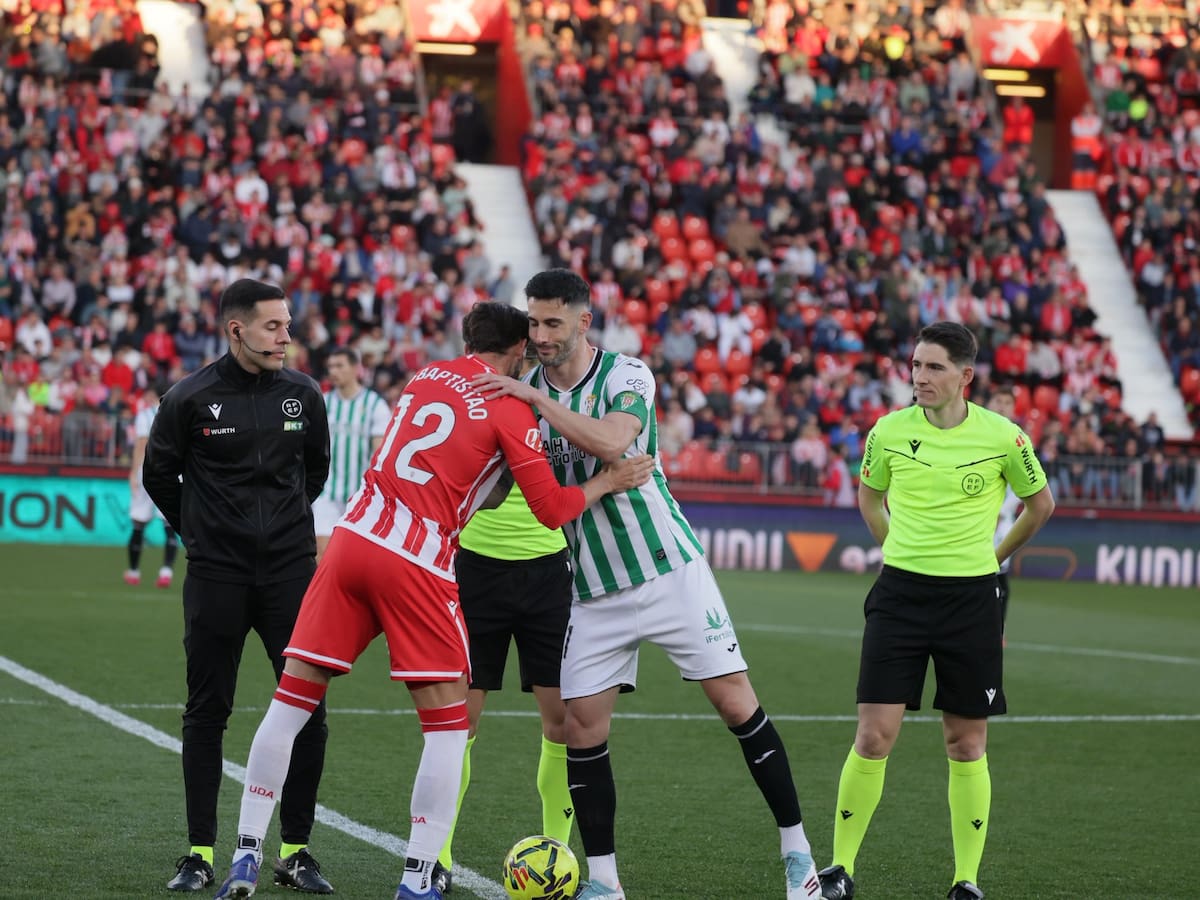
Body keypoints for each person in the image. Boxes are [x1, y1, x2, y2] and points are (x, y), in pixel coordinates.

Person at [211, 301, 654, 900]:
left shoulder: (425, 376)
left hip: (351, 539)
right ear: (518, 351)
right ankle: (419, 876)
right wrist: (606, 480)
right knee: (447, 731)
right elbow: (551, 511)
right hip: (416, 558)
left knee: (290, 703)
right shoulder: (509, 404)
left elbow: (463, 469)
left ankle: (243, 857)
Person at [472, 268, 822, 900]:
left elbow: (612, 441)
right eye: (534, 322)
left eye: (554, 322)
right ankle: (604, 879)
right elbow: (500, 488)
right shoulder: (519, 391)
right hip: (592, 588)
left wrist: (537, 404)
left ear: (583, 322)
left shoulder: (626, 375)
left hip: (668, 571)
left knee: (736, 704)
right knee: (581, 726)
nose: (541, 334)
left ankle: (798, 854)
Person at [816, 323, 1055, 900]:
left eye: (933, 367)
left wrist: (992, 558)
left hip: (971, 601)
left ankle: (966, 880)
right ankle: (840, 870)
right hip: (899, 596)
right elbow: (869, 496)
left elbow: (1040, 504)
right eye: (916, 365)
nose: (919, 377)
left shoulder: (1004, 436)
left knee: (967, 744)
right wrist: (893, 548)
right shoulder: (888, 431)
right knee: (874, 736)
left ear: (964, 376)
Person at [143, 279, 334, 894]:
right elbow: (159, 476)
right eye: (274, 326)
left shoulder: (303, 393)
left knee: (307, 710)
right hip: (217, 576)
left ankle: (296, 851)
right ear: (237, 330)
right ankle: (199, 853)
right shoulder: (189, 397)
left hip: (289, 575)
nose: (286, 336)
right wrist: (203, 534)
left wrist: (280, 532)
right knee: (207, 712)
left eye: (286, 325)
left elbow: (316, 470)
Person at [432, 349, 576, 896]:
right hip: (477, 571)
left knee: (561, 721)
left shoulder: (560, 398)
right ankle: (438, 854)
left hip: (548, 573)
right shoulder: (473, 393)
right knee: (457, 722)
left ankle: (556, 852)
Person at [312, 347, 390, 561]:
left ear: (356, 369)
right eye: (330, 367)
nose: (333, 371)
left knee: (352, 560)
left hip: (359, 496)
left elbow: (379, 454)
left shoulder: (375, 405)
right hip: (326, 493)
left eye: (339, 366)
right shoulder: (323, 402)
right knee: (322, 555)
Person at [124, 382, 179, 588]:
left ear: (151, 394)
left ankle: (134, 572)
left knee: (138, 523)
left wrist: (133, 472)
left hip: (147, 471)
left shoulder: (145, 414)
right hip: (172, 472)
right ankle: (166, 571)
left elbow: (141, 444)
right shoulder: (175, 412)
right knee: (169, 524)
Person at [986, 388, 1022, 636]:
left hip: (1002, 523)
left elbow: (1023, 488)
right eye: (998, 400)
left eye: (1007, 402)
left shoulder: (1017, 440)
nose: (1002, 406)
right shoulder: (978, 435)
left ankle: (998, 629)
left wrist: (1000, 513)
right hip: (975, 519)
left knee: (998, 575)